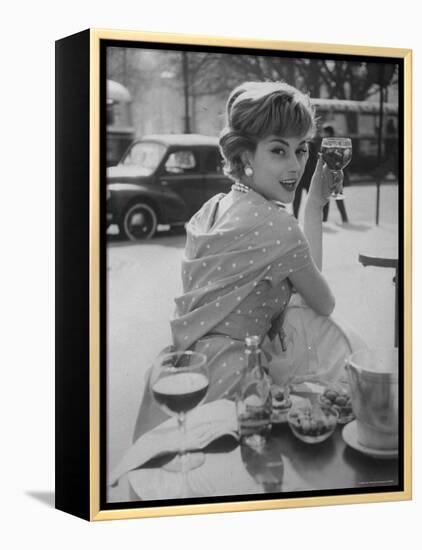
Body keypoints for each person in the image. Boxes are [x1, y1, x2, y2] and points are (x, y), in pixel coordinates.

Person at [133, 82, 363, 441]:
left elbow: (299, 272)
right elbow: (323, 301)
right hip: (236, 384)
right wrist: (314, 206)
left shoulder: (212, 209)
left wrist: (313, 205)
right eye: (278, 150)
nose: (295, 165)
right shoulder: (277, 225)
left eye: (301, 149)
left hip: (186, 371)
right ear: (243, 157)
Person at [320, 125, 349, 223]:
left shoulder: (333, 143)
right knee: (329, 196)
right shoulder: (325, 143)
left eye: (325, 132)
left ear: (329, 132)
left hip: (334, 172)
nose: (323, 133)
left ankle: (343, 218)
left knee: (336, 195)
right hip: (327, 172)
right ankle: (326, 220)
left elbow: (339, 158)